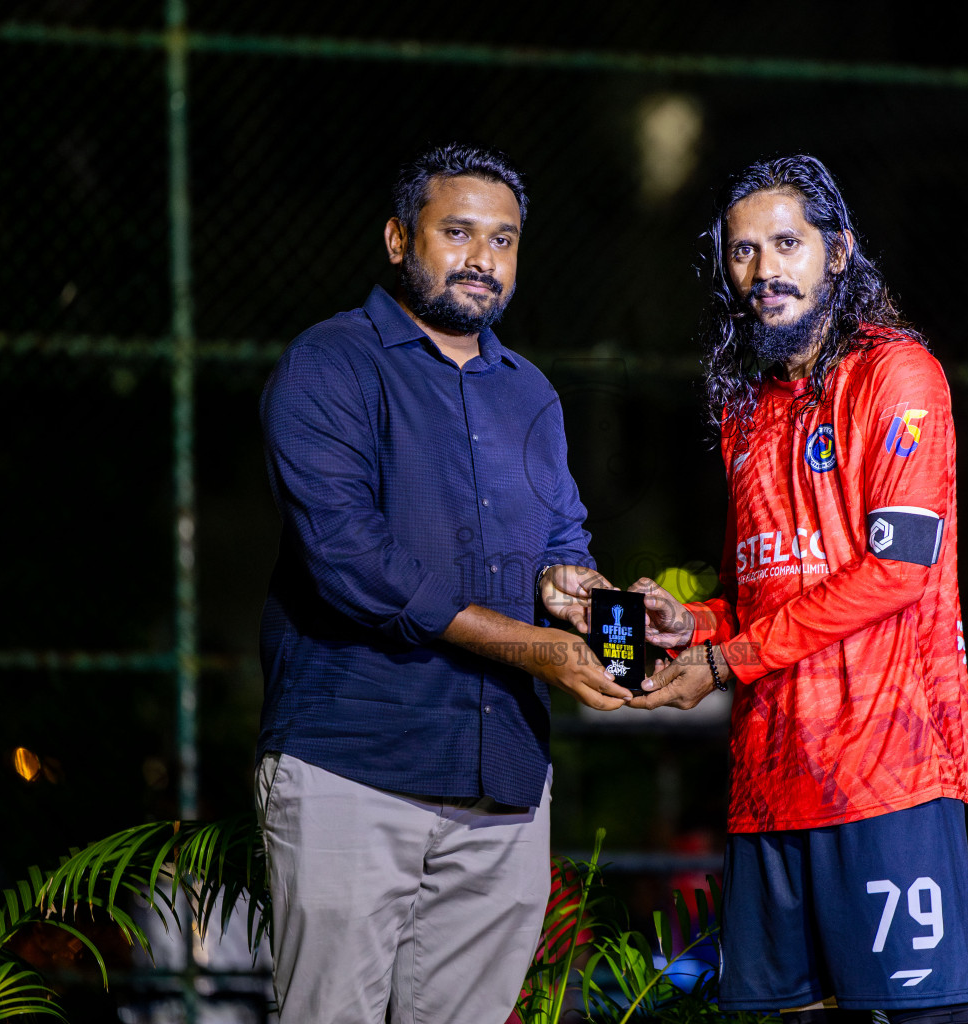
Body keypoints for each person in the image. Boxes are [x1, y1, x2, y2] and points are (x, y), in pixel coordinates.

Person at [253, 143, 632, 1024]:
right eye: (456, 232)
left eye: (502, 241)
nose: (481, 260)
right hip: (354, 766)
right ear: (397, 239)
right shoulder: (331, 364)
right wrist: (533, 648)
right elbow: (348, 561)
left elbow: (560, 549)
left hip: (502, 783)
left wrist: (603, 607)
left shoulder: (530, 391)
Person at [626, 156, 968, 1024]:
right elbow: (759, 589)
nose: (764, 272)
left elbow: (897, 571)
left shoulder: (897, 375)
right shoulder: (745, 403)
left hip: (888, 777)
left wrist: (726, 661)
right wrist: (695, 622)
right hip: (768, 786)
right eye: (742, 252)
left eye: (787, 244)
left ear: (839, 251)